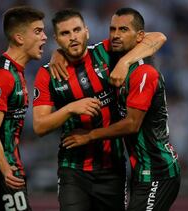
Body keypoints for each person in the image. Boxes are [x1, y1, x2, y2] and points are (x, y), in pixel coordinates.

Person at [32, 9, 166, 211]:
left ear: (87, 31)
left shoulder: (107, 53)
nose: (73, 37)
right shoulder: (47, 75)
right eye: (65, 33)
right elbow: (40, 126)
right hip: (73, 170)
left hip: (112, 168)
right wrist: (70, 108)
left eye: (77, 30)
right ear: (56, 39)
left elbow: (158, 37)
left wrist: (124, 61)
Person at [63, 8, 181, 211]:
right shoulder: (117, 62)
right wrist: (59, 55)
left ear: (140, 36)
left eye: (124, 29)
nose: (116, 34)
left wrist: (90, 136)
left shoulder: (144, 72)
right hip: (140, 171)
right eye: (113, 29)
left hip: (158, 171)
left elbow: (132, 124)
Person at [0, 6, 47, 211]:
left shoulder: (14, 70)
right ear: (19, 38)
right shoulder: (4, 76)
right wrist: (6, 169)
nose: (45, 37)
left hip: (0, 164)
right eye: (38, 31)